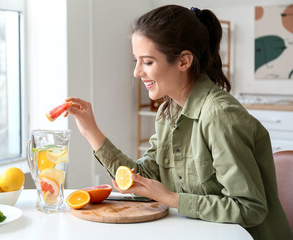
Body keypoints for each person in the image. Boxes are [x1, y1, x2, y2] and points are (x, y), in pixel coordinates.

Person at [65, 5, 292, 240]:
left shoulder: (219, 116)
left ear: (184, 61)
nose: (136, 72)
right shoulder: (168, 111)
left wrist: (172, 199)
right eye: (136, 60)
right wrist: (90, 130)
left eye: (147, 62)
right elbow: (144, 176)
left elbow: (250, 208)